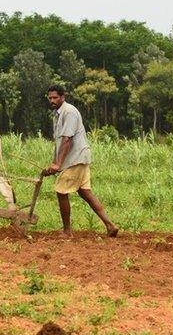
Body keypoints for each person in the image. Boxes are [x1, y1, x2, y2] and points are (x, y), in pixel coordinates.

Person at [41, 84, 118, 237]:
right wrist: (54, 164)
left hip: (75, 159)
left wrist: (57, 164)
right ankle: (110, 225)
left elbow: (67, 140)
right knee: (85, 193)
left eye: (55, 97)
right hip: (76, 159)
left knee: (61, 192)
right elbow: (60, 142)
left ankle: (67, 231)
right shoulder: (58, 114)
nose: (52, 100)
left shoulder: (68, 112)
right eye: (50, 98)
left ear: (63, 97)